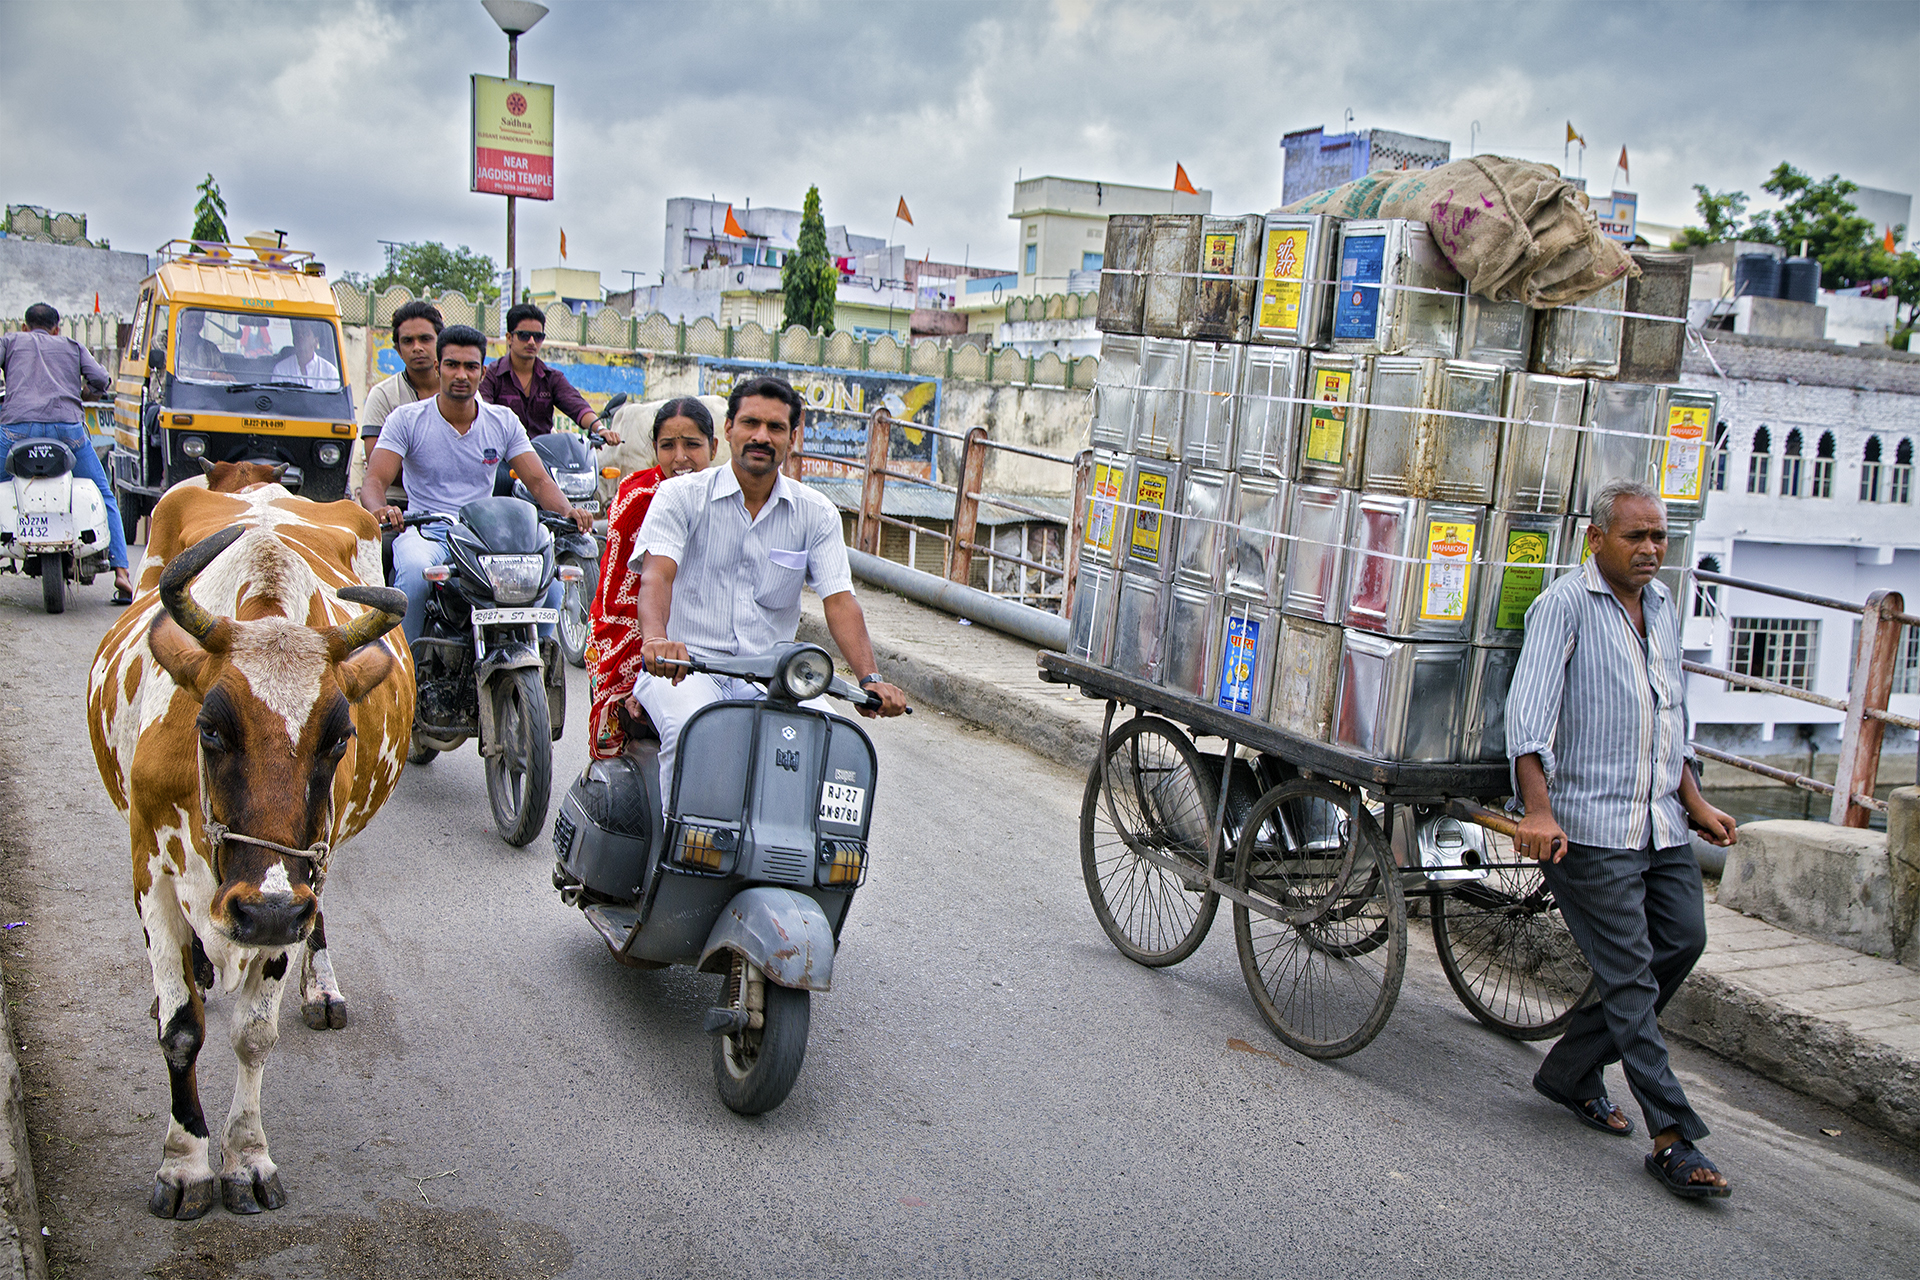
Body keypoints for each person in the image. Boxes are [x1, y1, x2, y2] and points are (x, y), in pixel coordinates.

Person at [1505, 478, 1738, 1200]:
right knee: (1631, 974)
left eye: (1659, 536)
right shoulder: (1564, 606)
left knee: (1684, 939)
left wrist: (1694, 800)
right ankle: (1673, 1134)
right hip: (1590, 824)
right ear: (1596, 539)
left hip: (1659, 819)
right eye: (1635, 536)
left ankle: (1571, 1069)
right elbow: (1527, 719)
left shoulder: (1663, 607)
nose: (1650, 549)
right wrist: (1538, 812)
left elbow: (1672, 716)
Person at [629, 375, 907, 794]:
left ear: (792, 438)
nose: (761, 436)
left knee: (827, 740)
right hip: (685, 670)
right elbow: (656, 576)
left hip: (773, 676)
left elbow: (840, 600)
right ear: (728, 430)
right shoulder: (681, 496)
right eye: (750, 423)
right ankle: (679, 857)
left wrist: (870, 679)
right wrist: (657, 642)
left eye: (775, 427)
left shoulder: (816, 513)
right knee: (694, 734)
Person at [358, 324, 593, 645]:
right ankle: (405, 675)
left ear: (482, 373)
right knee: (413, 576)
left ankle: (535, 662)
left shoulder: (503, 421)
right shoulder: (406, 419)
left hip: (486, 535)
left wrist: (569, 511)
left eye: (470, 367)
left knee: (550, 587)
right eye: (452, 365)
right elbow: (374, 480)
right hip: (429, 531)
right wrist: (380, 509)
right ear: (438, 368)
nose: (461, 375)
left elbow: (538, 481)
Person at [588, 398, 717, 759]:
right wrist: (643, 668)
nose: (680, 457)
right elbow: (621, 598)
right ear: (654, 448)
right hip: (636, 630)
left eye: (692, 445)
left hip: (706, 636)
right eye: (667, 446)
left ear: (714, 447)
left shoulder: (729, 495)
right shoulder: (638, 497)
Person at [0, 303, 134, 602]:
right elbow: (100, 380)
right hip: (68, 430)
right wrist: (86, 395)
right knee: (103, 492)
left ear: (25, 326)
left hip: (16, 430)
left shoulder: (10, 341)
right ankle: (122, 572)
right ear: (56, 329)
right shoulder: (71, 345)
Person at [480, 303, 620, 442]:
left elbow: (577, 406)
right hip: (502, 457)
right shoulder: (491, 375)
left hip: (543, 458)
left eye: (538, 337)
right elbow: (481, 414)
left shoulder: (551, 378)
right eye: (524, 335)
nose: (531, 342)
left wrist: (601, 429)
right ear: (509, 338)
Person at [349, 300, 442, 501]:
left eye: (425, 339)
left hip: (451, 502)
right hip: (398, 501)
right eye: (408, 341)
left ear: (441, 342)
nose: (417, 348)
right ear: (398, 350)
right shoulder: (383, 395)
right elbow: (377, 465)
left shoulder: (461, 391)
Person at [272, 319, 340, 388]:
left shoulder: (330, 372)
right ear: (293, 340)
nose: (300, 336)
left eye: (305, 333)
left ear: (316, 341)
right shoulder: (280, 369)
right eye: (297, 333)